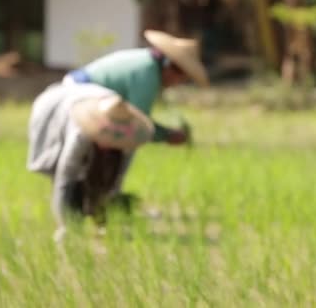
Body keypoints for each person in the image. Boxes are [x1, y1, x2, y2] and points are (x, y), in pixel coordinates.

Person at [27, 30, 209, 241]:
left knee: (107, 166)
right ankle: (80, 216)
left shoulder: (145, 67)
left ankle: (100, 211)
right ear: (172, 69)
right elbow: (64, 176)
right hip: (72, 102)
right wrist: (65, 228)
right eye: (181, 78)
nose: (178, 83)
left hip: (103, 106)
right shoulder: (83, 130)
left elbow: (133, 126)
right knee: (76, 173)